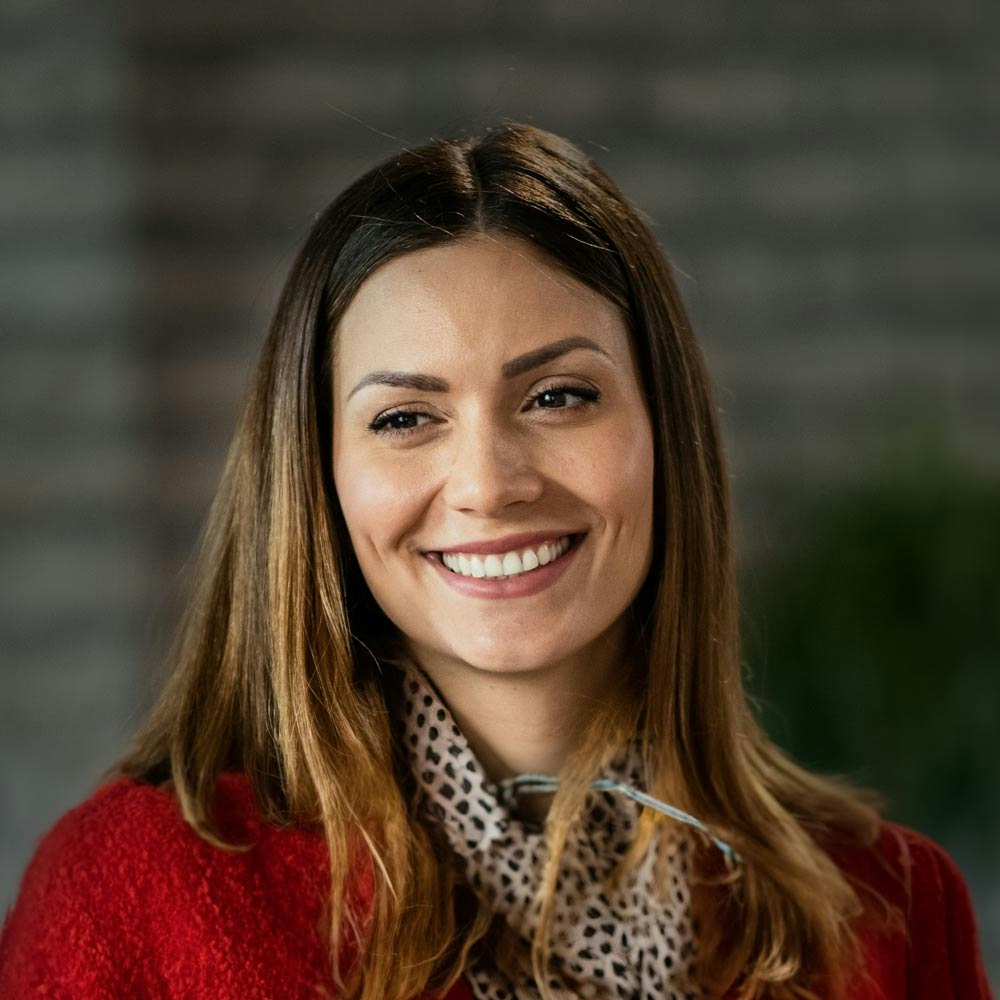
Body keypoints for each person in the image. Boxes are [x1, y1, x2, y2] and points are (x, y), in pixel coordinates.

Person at [0, 121, 993, 1000]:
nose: (486, 482)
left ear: (663, 431)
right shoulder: (137, 889)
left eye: (558, 396)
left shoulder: (888, 904)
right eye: (404, 418)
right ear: (319, 478)